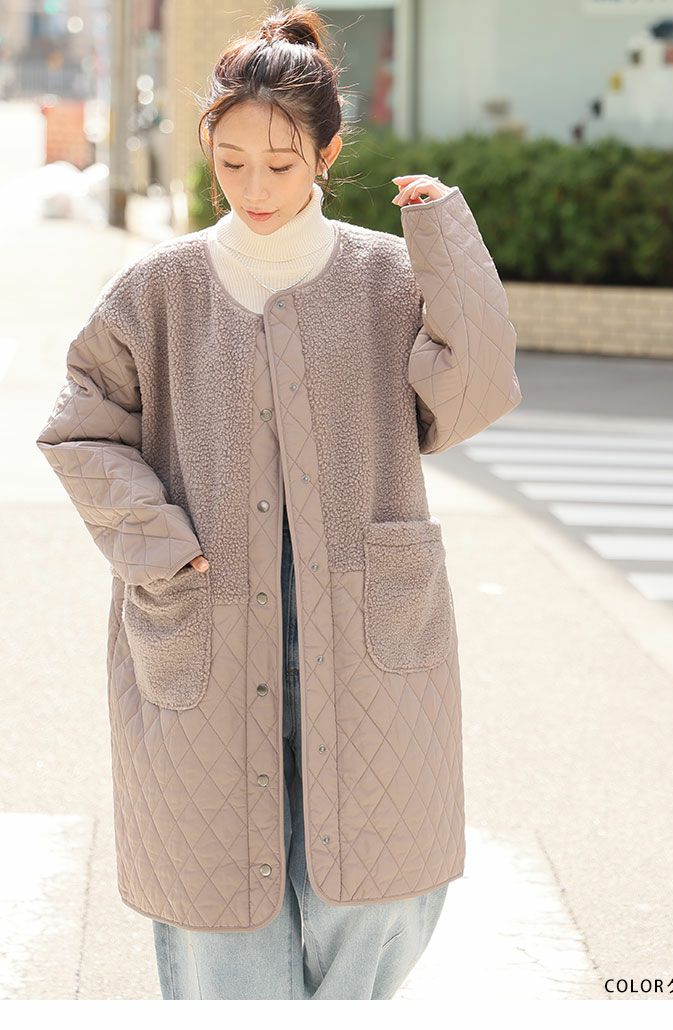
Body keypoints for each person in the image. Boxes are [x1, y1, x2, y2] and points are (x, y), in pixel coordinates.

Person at [35, 2, 521, 1002]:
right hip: (202, 634)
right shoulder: (156, 290)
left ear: (326, 155)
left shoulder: (389, 279)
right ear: (208, 146)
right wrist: (159, 547)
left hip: (372, 642)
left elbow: (473, 395)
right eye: (232, 161)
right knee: (217, 918)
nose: (254, 187)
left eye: (280, 163)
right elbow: (79, 428)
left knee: (381, 902)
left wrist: (445, 239)